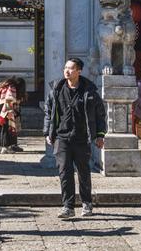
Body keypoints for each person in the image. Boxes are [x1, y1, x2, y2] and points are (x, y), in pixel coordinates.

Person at [43, 57, 106, 219]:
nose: (67, 71)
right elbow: (48, 112)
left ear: (79, 71)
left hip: (82, 137)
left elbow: (100, 114)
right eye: (65, 67)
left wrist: (100, 135)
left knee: (83, 172)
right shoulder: (56, 89)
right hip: (61, 137)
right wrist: (48, 132)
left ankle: (86, 203)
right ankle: (68, 206)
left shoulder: (89, 91)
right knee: (64, 172)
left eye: (71, 68)